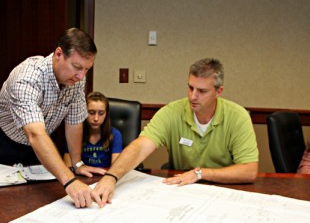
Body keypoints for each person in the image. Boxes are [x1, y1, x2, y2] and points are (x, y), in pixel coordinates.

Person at [92, 58, 259, 207]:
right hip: (179, 192)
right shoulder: (172, 112)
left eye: (202, 91)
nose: (193, 96)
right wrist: (111, 177)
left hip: (223, 193)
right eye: (190, 88)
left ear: (219, 91)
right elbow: (140, 147)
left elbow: (249, 170)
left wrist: (200, 173)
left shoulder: (238, 117)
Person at [0, 28, 105, 208]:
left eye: (86, 69)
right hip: (2, 143)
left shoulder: (77, 80)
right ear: (59, 54)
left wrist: (77, 163)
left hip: (42, 146)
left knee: (41, 205)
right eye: (77, 67)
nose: (81, 76)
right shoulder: (27, 77)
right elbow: (34, 134)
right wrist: (69, 181)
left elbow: (74, 121)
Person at [63, 91, 123, 168]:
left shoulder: (115, 134)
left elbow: (116, 168)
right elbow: (68, 166)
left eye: (101, 113)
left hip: (105, 175)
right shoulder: (74, 134)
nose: (96, 118)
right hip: (81, 175)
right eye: (91, 113)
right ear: (84, 112)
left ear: (106, 114)